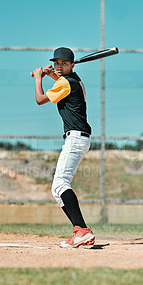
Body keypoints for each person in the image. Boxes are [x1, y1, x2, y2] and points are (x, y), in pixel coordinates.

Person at [33, 47, 95, 248]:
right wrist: (52, 75)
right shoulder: (73, 81)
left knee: (61, 184)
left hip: (75, 138)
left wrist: (38, 78)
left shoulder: (67, 83)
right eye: (56, 63)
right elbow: (62, 86)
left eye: (64, 63)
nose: (59, 66)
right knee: (56, 188)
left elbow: (40, 100)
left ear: (72, 65)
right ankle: (80, 230)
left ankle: (83, 230)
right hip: (79, 138)